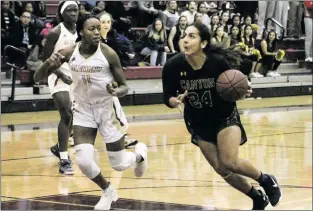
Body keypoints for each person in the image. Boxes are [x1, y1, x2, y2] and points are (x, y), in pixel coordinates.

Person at [162, 23, 282, 210]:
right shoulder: (172, 66)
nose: (185, 39)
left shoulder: (217, 62)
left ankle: (266, 179)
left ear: (203, 43)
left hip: (224, 116)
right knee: (222, 169)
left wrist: (245, 88)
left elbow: (237, 81)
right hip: (198, 122)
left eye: (191, 36)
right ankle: (256, 196)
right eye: (184, 35)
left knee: (229, 161)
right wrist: (174, 101)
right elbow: (166, 96)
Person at [33, 15, 148, 210]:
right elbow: (37, 77)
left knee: (119, 165)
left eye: (98, 29)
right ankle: (108, 190)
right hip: (83, 111)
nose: (96, 32)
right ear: (81, 33)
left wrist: (115, 91)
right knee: (84, 162)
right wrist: (47, 63)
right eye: (91, 29)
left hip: (106, 111)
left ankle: (140, 155)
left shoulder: (109, 54)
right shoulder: (69, 52)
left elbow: (125, 87)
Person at [41, 1, 79, 175]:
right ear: (62, 13)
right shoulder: (56, 32)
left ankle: (59, 147)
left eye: (75, 10)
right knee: (66, 114)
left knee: (73, 116)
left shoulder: (81, 30)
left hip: (75, 77)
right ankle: (64, 159)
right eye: (69, 10)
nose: (73, 13)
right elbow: (45, 60)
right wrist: (60, 74)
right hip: (57, 76)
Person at [98, 12, 138, 148]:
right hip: (95, 78)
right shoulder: (93, 40)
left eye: (108, 22)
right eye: (103, 22)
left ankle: (122, 137)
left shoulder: (114, 40)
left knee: (112, 108)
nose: (105, 25)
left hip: (107, 79)